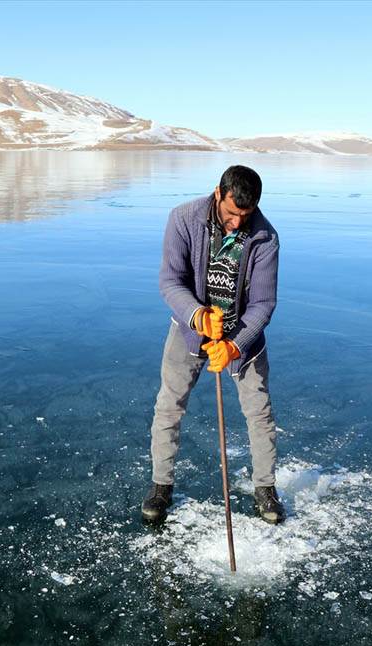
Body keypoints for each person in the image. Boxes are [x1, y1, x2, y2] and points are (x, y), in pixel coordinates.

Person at [141, 165, 285, 525]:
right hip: (189, 329)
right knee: (169, 406)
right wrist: (198, 315)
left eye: (245, 216)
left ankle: (265, 488)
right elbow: (170, 281)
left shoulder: (266, 238)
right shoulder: (183, 219)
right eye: (231, 213)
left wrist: (235, 346)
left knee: (259, 412)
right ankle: (161, 485)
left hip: (242, 336)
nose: (237, 223)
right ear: (218, 193)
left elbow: (263, 304)